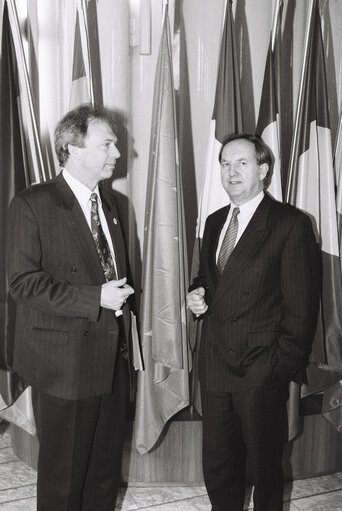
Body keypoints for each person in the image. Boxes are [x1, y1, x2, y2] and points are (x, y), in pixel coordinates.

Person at [6, 104, 136, 511]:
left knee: (103, 477)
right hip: (64, 368)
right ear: (73, 148)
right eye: (108, 144)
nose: (118, 152)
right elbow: (21, 283)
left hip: (112, 364)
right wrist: (93, 297)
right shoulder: (33, 204)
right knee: (63, 482)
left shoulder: (114, 207)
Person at [187, 133, 321, 511]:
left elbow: (302, 311)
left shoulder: (290, 224)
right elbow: (208, 279)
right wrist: (197, 294)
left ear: (263, 170)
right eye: (226, 164)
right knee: (218, 468)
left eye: (242, 163)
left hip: (260, 371)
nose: (232, 172)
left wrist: (276, 369)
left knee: (264, 472)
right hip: (215, 369)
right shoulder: (214, 222)